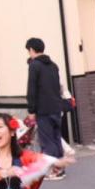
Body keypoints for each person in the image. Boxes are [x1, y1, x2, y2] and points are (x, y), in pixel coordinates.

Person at [25, 37, 67, 179]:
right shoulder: (53, 65)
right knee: (56, 138)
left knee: (47, 141)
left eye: (28, 51)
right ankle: (60, 168)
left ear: (31, 50)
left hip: (43, 109)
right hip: (56, 107)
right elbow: (58, 87)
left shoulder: (35, 66)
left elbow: (32, 90)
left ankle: (54, 171)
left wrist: (31, 110)